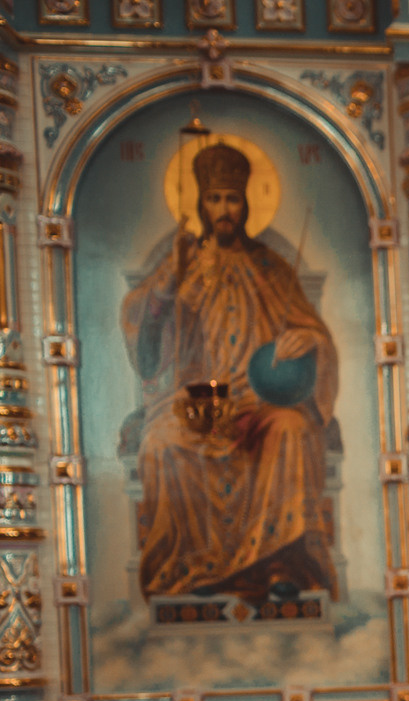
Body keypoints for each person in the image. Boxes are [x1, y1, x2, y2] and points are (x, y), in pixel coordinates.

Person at [122, 141, 339, 599]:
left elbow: (312, 331)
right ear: (201, 203)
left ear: (246, 204)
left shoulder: (271, 268)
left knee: (291, 431)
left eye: (233, 199)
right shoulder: (181, 264)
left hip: (260, 401)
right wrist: (166, 289)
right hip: (198, 400)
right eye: (214, 198)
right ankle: (194, 566)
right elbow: (146, 349)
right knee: (162, 443)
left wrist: (309, 342)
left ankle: (277, 563)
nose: (224, 209)